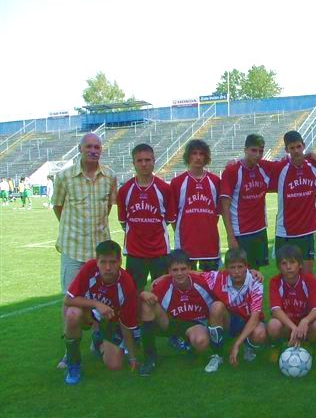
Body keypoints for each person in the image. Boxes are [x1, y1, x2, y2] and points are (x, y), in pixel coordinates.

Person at [53, 132, 118, 368]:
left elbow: (108, 208)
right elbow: (58, 207)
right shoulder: (64, 177)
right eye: (89, 146)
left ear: (101, 150)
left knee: (101, 297)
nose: (93, 150)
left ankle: (97, 339)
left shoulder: (110, 176)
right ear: (80, 149)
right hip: (73, 249)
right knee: (71, 302)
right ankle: (69, 352)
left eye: (97, 147)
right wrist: (75, 230)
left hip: (100, 253)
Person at [62, 240, 138, 385]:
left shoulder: (127, 284)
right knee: (72, 313)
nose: (108, 267)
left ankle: (99, 341)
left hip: (110, 321)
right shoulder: (89, 268)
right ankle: (73, 363)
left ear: (120, 262)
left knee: (115, 365)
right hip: (87, 314)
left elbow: (126, 324)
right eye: (103, 262)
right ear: (97, 261)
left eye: (112, 262)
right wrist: (97, 304)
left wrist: (132, 357)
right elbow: (68, 300)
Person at [137, 250, 216, 376]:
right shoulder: (163, 285)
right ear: (169, 271)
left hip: (195, 324)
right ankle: (150, 358)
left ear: (190, 268)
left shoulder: (202, 282)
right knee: (148, 304)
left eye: (183, 269)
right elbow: (142, 299)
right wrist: (142, 293)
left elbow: (224, 278)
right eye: (175, 270)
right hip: (172, 323)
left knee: (201, 342)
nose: (179, 273)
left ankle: (190, 345)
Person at [118, 143, 176, 291]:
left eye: (147, 160)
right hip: (135, 252)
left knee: (162, 292)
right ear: (133, 163)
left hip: (160, 252)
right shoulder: (125, 190)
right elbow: (123, 221)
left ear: (154, 161)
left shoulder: (164, 189)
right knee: (134, 292)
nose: (144, 164)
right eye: (139, 160)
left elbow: (169, 219)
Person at [203, 248, 267, 372]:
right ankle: (217, 355)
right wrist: (166, 277)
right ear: (226, 268)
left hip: (249, 321)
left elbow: (255, 318)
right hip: (230, 321)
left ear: (246, 267)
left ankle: (248, 346)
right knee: (216, 306)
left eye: (240, 267)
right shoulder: (217, 277)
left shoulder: (255, 282)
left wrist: (237, 344)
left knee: (260, 333)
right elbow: (191, 274)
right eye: (232, 267)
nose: (237, 271)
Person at [270, 130, 316, 274]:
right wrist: (235, 162)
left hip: (307, 230)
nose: (296, 151)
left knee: (307, 274)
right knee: (286, 275)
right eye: (292, 148)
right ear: (286, 149)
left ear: (303, 145)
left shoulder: (313, 165)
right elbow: (258, 165)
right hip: (285, 231)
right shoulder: (279, 168)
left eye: (299, 146)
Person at [220, 134, 272, 270]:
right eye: (254, 150)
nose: (257, 154)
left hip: (259, 230)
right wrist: (231, 237)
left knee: (256, 273)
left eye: (261, 151)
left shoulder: (264, 168)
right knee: (239, 273)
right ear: (245, 150)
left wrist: (308, 154)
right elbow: (224, 207)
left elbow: (289, 161)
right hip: (240, 233)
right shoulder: (232, 171)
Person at [171, 139, 222, 271]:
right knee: (185, 280)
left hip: (209, 243)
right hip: (185, 243)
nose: (198, 157)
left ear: (206, 157)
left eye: (201, 154)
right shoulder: (177, 182)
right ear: (188, 156)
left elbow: (217, 214)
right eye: (194, 153)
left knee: (210, 281)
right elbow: (173, 217)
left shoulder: (215, 181)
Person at [267, 244, 316, 358]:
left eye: (292, 262)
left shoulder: (309, 280)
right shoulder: (275, 282)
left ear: (300, 265)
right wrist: (293, 327)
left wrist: (305, 321)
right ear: (279, 266)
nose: (288, 267)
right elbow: (275, 310)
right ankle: (276, 346)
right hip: (286, 325)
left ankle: (306, 345)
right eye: (284, 263)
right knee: (273, 325)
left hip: (305, 325)